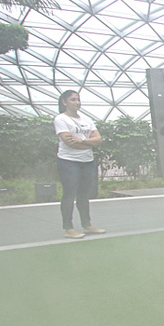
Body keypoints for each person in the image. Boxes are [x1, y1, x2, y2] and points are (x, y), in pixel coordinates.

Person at [54, 90, 107, 239]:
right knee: (69, 194)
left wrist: (82, 141)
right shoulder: (61, 119)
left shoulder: (86, 119)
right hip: (68, 162)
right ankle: (68, 228)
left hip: (87, 161)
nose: (77, 102)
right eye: (73, 100)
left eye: (78, 99)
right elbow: (69, 142)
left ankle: (87, 225)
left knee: (84, 195)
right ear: (64, 102)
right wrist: (89, 143)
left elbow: (98, 139)